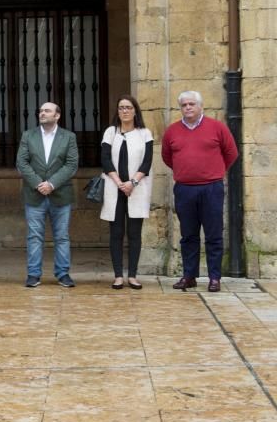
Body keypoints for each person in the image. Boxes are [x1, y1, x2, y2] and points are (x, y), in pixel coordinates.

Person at [162, 90, 238, 293]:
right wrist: (186, 171)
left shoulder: (217, 127)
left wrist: (216, 172)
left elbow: (231, 152)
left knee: (213, 235)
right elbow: (167, 157)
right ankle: (189, 276)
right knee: (188, 235)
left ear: (200, 106)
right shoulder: (172, 131)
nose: (187, 108)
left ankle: (214, 277)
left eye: (191, 104)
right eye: (184, 105)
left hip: (211, 188)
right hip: (185, 189)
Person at [16, 102, 79, 288]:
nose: (42, 113)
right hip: (34, 195)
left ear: (57, 115)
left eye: (47, 111)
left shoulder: (69, 137)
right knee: (34, 237)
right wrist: (38, 184)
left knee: (62, 236)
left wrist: (52, 184)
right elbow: (22, 162)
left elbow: (71, 165)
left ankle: (63, 274)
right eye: (41, 110)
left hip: (60, 195)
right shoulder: (28, 135)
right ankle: (33, 274)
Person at [100, 95, 153, 290]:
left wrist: (132, 183)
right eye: (121, 107)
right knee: (116, 233)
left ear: (135, 111)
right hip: (115, 188)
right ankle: (117, 276)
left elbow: (147, 162)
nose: (124, 111)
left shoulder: (144, 133)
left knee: (134, 233)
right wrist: (119, 183)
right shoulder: (110, 132)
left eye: (128, 107)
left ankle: (132, 275)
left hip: (135, 189)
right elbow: (105, 159)